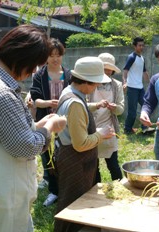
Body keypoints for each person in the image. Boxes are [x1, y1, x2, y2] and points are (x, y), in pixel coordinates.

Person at [0, 24, 67, 232]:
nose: (34, 71)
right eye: (34, 64)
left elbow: (2, 131)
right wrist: (50, 126)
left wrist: (36, 125)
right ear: (21, 58)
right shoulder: (2, 93)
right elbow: (24, 147)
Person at [54, 56, 115, 232]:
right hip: (76, 162)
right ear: (87, 83)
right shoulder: (76, 104)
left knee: (69, 200)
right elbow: (80, 144)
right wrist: (100, 134)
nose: (96, 87)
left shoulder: (69, 91)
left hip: (68, 158)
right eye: (96, 84)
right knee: (74, 205)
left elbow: (82, 109)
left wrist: (95, 106)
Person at [30, 38, 71, 207]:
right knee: (47, 156)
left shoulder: (69, 74)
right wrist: (49, 103)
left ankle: (65, 187)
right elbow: (34, 99)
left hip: (65, 121)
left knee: (64, 154)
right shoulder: (39, 75)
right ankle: (54, 190)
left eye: (58, 55)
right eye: (51, 55)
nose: (55, 59)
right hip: (46, 120)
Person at [88, 53, 124, 182]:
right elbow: (82, 106)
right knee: (93, 165)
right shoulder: (89, 84)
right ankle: (94, 190)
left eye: (109, 69)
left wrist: (114, 108)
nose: (107, 71)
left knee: (113, 163)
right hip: (92, 129)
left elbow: (121, 109)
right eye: (104, 68)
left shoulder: (117, 85)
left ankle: (120, 188)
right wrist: (96, 105)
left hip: (109, 129)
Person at [122, 37, 151, 134]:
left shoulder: (142, 58)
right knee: (132, 111)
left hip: (140, 87)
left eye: (143, 45)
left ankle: (145, 128)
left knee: (145, 107)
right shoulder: (131, 57)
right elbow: (125, 70)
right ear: (135, 46)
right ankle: (127, 129)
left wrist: (150, 83)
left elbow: (144, 71)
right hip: (131, 87)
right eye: (139, 45)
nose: (142, 47)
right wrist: (125, 82)